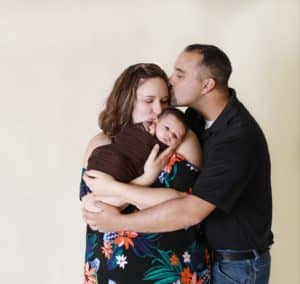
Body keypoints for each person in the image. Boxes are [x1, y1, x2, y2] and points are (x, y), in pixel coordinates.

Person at [83, 44, 274, 283]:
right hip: (203, 256)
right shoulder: (191, 120)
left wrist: (117, 214)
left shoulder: (234, 138)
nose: (171, 80)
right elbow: (92, 204)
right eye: (149, 100)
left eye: (180, 75)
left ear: (207, 85)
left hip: (235, 262)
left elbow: (189, 210)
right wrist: (138, 184)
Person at [80, 63, 210, 284]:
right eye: (149, 101)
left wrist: (115, 192)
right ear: (128, 100)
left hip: (173, 271)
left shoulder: (178, 141)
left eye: (164, 101)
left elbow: (184, 208)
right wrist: (146, 179)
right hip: (111, 272)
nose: (158, 110)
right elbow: (96, 212)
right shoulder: (101, 145)